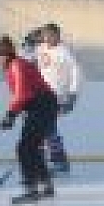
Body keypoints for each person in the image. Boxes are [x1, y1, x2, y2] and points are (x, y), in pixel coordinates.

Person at [0, 36, 59, 205]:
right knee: (32, 146)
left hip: (43, 105)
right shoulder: (13, 68)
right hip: (41, 106)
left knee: (24, 147)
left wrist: (10, 114)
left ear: (5, 56)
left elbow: (23, 94)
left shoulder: (16, 65)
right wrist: (13, 115)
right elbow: (22, 96)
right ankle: (46, 186)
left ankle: (31, 189)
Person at [34, 22, 81, 174]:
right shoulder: (39, 48)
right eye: (44, 34)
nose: (45, 37)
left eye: (49, 34)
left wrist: (72, 95)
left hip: (56, 95)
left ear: (56, 36)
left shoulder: (64, 52)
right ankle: (44, 159)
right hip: (39, 95)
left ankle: (58, 161)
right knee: (41, 127)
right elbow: (26, 58)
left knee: (47, 127)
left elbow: (76, 73)